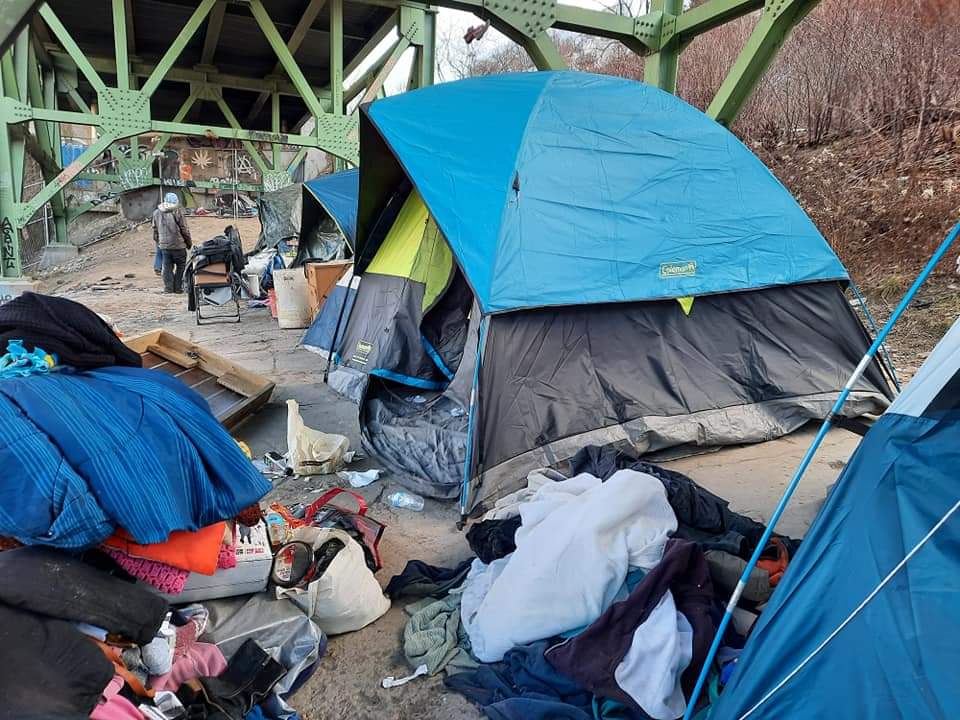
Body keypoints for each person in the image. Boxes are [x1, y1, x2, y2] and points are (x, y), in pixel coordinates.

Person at [152, 192, 192, 293]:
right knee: (180, 267)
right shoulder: (178, 212)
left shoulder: (156, 213)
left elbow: (155, 230)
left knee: (167, 267)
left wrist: (159, 242)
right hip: (178, 245)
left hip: (164, 246)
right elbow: (184, 230)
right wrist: (188, 243)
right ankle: (178, 288)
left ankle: (168, 288)